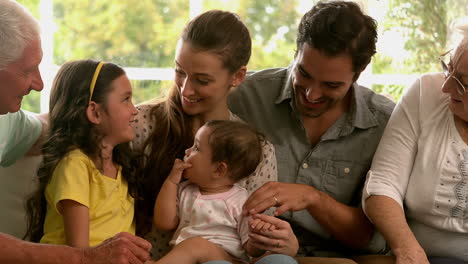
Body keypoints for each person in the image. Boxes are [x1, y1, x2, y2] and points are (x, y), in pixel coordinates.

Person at [227, 0, 395, 258]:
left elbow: (373, 238)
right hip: (249, 253)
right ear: (296, 54)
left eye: (331, 85)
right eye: (303, 73)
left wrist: (313, 199)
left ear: (358, 74)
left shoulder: (384, 123)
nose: (311, 93)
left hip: (333, 259)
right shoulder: (246, 96)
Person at [131, 10, 298, 261]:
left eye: (202, 80)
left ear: (237, 77)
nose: (186, 89)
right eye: (179, 72)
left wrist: (281, 244)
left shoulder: (256, 150)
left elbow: (254, 244)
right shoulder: (140, 124)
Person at [0, 1, 151, 263]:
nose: (39, 84)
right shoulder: (75, 168)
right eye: (27, 70)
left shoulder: (8, 122)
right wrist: (85, 258)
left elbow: (53, 125)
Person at [363, 26, 468, 264]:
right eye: (448, 69)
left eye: (463, 83)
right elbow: (382, 184)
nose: (446, 87)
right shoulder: (425, 92)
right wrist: (408, 250)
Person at [24, 60, 141, 247]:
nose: (135, 110)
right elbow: (79, 254)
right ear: (95, 112)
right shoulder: (75, 165)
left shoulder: (122, 168)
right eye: (126, 99)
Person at [153, 120, 294, 264]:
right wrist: (171, 182)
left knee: (195, 246)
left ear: (219, 170)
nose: (187, 151)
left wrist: (258, 236)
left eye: (196, 148)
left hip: (227, 260)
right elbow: (164, 223)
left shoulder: (241, 200)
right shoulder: (185, 189)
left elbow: (251, 249)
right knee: (194, 246)